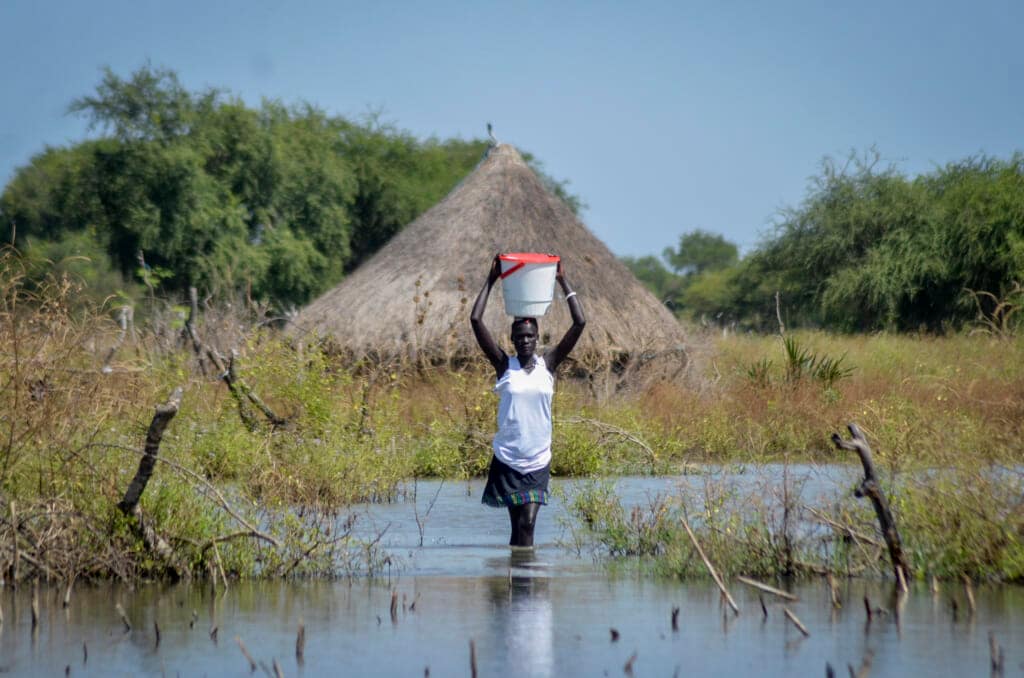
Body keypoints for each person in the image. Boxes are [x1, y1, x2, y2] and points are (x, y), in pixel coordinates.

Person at [470, 254, 586, 547]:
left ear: (537, 338)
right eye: (519, 337)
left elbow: (580, 322)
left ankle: (527, 585)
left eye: (529, 336)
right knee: (517, 527)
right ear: (512, 339)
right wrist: (491, 278)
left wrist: (561, 280)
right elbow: (475, 320)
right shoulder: (503, 365)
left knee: (529, 522)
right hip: (508, 458)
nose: (524, 341)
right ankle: (517, 581)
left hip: (537, 459)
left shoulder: (549, 365)